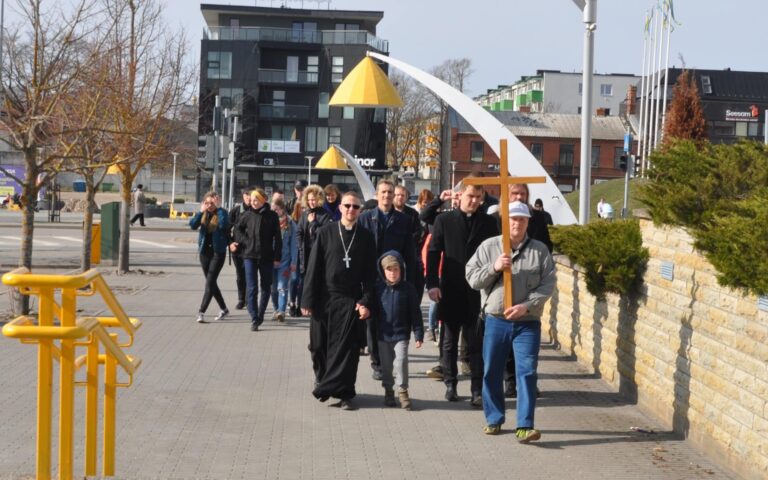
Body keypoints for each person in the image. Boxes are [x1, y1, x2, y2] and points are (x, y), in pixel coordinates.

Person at [465, 200, 556, 441]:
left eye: (522, 219)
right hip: (497, 320)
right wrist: (494, 267)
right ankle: (494, 418)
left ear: (528, 222)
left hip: (527, 322)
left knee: (527, 372)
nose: (517, 223)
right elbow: (472, 278)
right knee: (491, 370)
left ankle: (525, 425)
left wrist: (526, 306)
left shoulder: (539, 250)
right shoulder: (489, 246)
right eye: (513, 219)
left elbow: (548, 283)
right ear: (505, 221)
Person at [301, 191, 377, 410]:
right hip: (324, 298)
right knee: (318, 346)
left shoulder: (366, 237)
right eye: (347, 206)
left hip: (350, 299)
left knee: (348, 350)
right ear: (340, 208)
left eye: (355, 207)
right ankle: (323, 380)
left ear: (360, 211)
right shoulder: (326, 232)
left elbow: (370, 275)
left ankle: (345, 394)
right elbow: (314, 267)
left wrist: (366, 300)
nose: (351, 210)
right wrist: (307, 300)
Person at [427, 181, 499, 405]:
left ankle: (477, 390)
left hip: (478, 290)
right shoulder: (444, 220)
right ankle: (451, 384)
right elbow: (433, 252)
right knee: (449, 342)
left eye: (478, 197)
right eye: (470, 196)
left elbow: (495, 253)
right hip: (451, 288)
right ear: (460, 196)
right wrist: (432, 284)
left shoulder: (489, 223)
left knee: (476, 343)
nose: (474, 201)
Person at [358, 180, 422, 381]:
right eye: (383, 192)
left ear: (394, 196)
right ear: (377, 195)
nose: (387, 196)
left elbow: (409, 253)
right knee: (372, 321)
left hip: (394, 278)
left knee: (392, 319)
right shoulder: (365, 218)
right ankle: (377, 363)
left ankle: (391, 360)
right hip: (371, 278)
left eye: (390, 192)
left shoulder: (403, 220)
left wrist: (409, 281)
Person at [376, 251, 424, 410]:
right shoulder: (378, 289)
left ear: (401, 270)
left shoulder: (408, 289)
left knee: (401, 361)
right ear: (383, 271)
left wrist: (418, 334)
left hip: (401, 334)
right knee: (386, 366)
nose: (393, 273)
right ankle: (388, 391)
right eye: (389, 270)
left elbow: (415, 313)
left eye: (396, 269)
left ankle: (403, 392)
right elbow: (371, 309)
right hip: (383, 335)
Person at [230, 187, 282, 331]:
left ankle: (260, 314)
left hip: (266, 257)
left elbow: (278, 238)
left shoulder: (272, 216)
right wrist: (244, 241)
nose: (253, 202)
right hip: (249, 256)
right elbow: (237, 229)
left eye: (256, 200)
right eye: (252, 200)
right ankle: (254, 317)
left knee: (266, 287)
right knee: (252, 288)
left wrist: (277, 257)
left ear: (263, 200)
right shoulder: (246, 215)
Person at [189, 192, 230, 323]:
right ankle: (224, 308)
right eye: (207, 203)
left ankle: (201, 312)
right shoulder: (203, 214)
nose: (209, 205)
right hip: (204, 253)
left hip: (218, 253)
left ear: (216, 203)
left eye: (212, 203)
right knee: (211, 283)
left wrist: (220, 209)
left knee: (210, 282)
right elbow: (192, 225)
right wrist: (200, 212)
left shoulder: (222, 213)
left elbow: (224, 225)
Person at [296, 185, 331, 316]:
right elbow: (299, 232)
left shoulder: (325, 215)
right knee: (303, 280)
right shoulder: (305, 214)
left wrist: (313, 223)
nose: (311, 202)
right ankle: (301, 306)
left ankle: (315, 305)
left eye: (314, 199)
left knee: (317, 279)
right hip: (305, 253)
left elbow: (324, 234)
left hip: (319, 253)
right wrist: (300, 246)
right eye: (309, 199)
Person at [270, 198, 298, 322]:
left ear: (282, 209)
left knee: (282, 286)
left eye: (276, 209)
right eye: (272, 209)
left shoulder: (290, 224)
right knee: (272, 288)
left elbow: (294, 245)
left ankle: (281, 311)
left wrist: (293, 262)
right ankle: (276, 309)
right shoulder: (269, 222)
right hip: (270, 261)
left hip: (285, 262)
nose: (274, 212)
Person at [228, 187, 252, 310]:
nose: (249, 197)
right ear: (243, 196)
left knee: (250, 274)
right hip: (237, 249)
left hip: (252, 249)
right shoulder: (235, 211)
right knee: (240, 275)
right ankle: (241, 299)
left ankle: (249, 300)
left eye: (251, 195)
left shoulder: (256, 210)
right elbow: (226, 230)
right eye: (247, 194)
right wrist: (230, 243)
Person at [288, 199, 306, 316]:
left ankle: (300, 305)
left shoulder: (309, 218)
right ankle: (292, 303)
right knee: (294, 279)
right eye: (302, 208)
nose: (304, 210)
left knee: (302, 281)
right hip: (294, 254)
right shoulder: (292, 221)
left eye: (305, 208)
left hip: (305, 253)